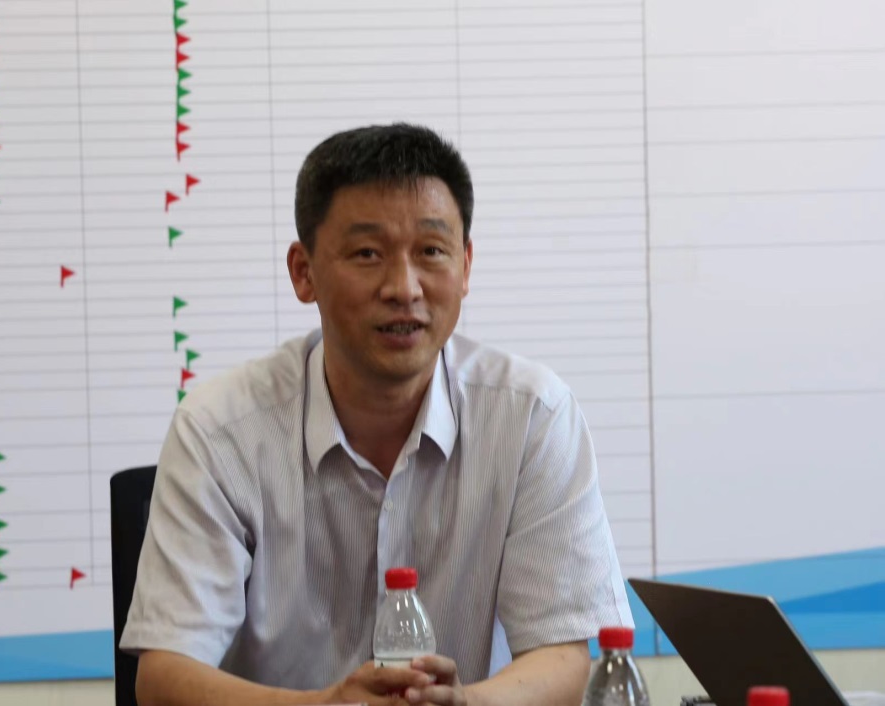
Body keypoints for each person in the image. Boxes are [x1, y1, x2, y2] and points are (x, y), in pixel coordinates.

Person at [120, 123, 633, 706]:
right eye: (367, 254)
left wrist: (468, 703)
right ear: (304, 272)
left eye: (431, 251)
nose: (404, 288)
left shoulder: (533, 418)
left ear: (465, 266)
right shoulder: (220, 432)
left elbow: (563, 658)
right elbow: (164, 677)